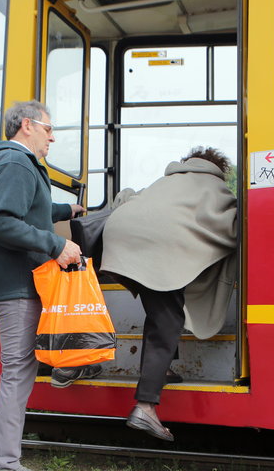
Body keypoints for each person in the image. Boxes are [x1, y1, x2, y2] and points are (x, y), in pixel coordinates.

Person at [0, 100, 97, 471]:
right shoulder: (14, 163)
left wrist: (67, 209)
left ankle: (4, 462)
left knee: (21, 369)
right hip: (16, 284)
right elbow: (2, 221)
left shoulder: (18, 165)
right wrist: (55, 245)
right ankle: (1, 467)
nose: (52, 136)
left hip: (18, 281)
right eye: (48, 129)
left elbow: (30, 207)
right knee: (17, 372)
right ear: (27, 126)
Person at [101, 147, 238, 441]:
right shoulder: (215, 187)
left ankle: (160, 371)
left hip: (117, 241)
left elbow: (126, 198)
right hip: (158, 250)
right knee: (168, 319)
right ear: (218, 168)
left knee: (161, 307)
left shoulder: (166, 181)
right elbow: (233, 228)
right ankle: (146, 406)